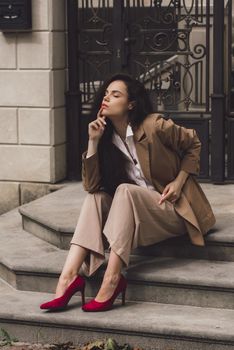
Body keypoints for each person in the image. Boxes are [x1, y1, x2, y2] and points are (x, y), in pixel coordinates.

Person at [40, 73, 216, 313]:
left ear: (131, 104)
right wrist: (93, 142)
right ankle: (68, 278)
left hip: (174, 209)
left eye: (116, 94)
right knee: (96, 198)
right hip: (138, 213)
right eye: (106, 93)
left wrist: (179, 180)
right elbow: (91, 187)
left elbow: (194, 143)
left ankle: (112, 278)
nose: (107, 98)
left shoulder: (155, 126)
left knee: (124, 191)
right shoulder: (105, 138)